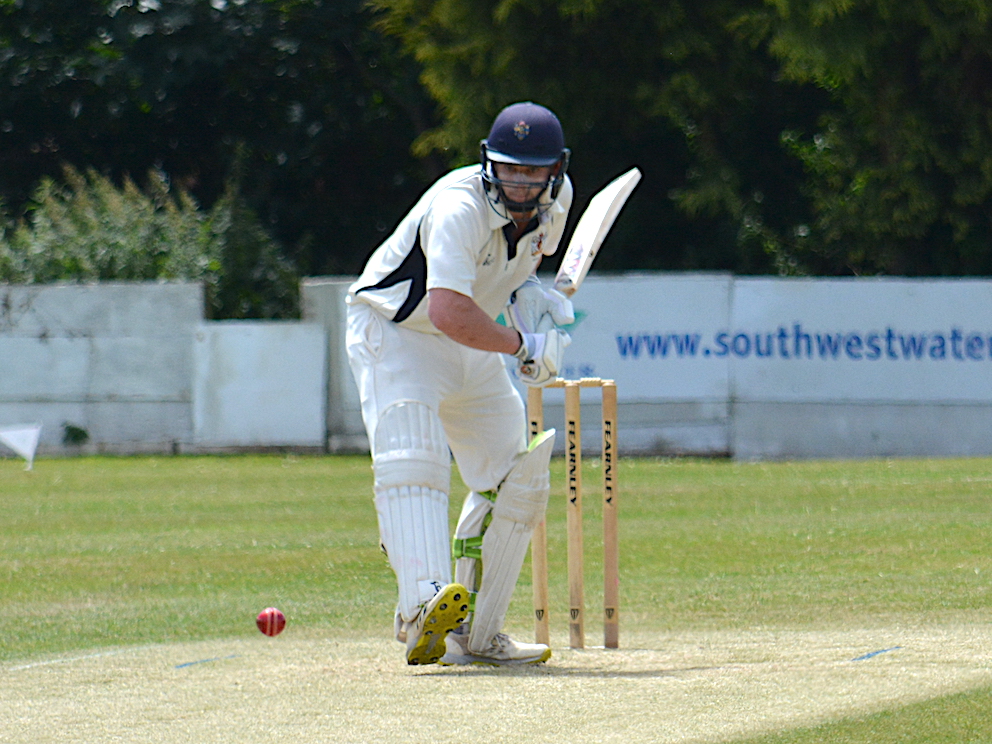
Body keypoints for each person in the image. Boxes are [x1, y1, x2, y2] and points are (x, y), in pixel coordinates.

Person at [345, 101, 576, 666]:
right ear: (488, 163)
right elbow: (448, 309)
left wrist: (527, 302)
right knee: (414, 462)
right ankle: (420, 606)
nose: (520, 183)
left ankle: (475, 632)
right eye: (508, 168)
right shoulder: (457, 208)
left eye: (533, 171)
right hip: (398, 332)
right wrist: (524, 347)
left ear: (556, 170)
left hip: (468, 342)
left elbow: (505, 274)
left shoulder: (558, 204)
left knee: (515, 477)